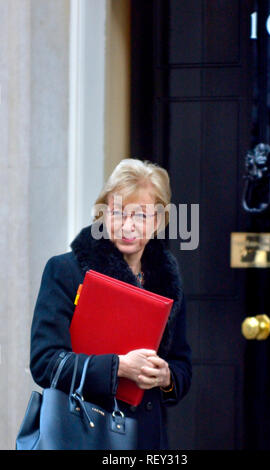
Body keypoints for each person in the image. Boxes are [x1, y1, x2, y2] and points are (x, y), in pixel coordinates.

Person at [30, 158, 192, 450]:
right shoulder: (65, 271)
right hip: (82, 432)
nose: (128, 226)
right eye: (118, 213)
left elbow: (182, 365)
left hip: (146, 438)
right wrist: (118, 367)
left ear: (158, 221)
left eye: (141, 216)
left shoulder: (167, 281)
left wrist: (166, 377)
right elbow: (45, 364)